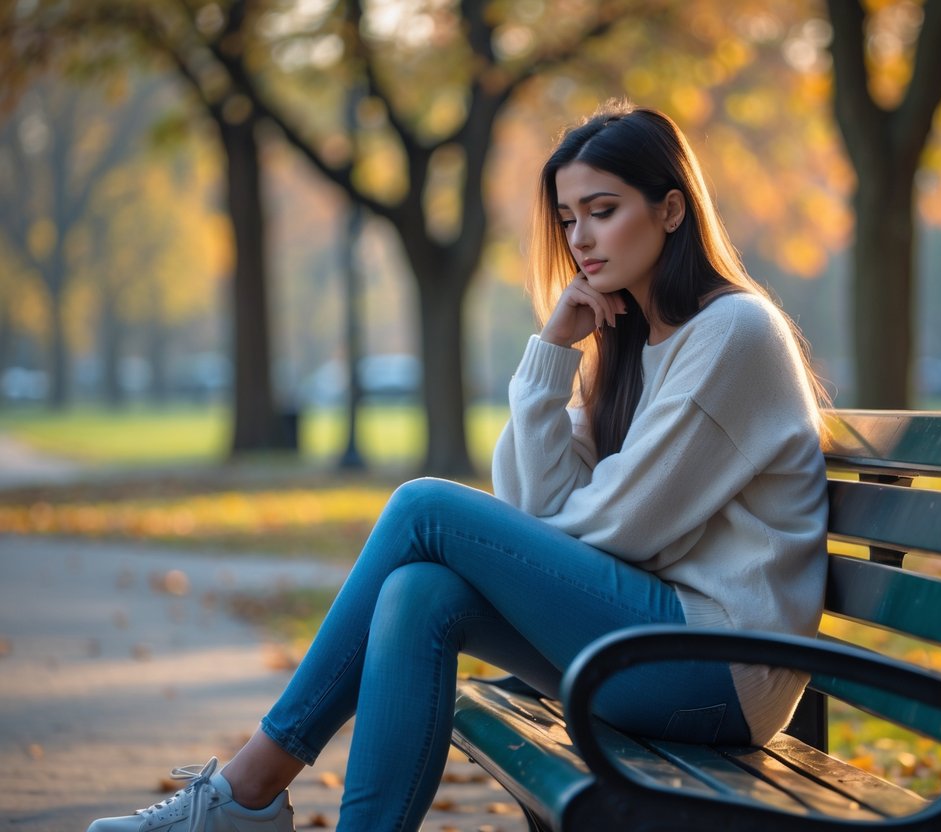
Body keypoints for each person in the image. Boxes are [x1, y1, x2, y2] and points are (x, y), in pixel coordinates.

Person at [86, 101, 830, 832]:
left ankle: (247, 791)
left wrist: (551, 528)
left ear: (671, 210)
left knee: (423, 509)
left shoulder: (732, 331)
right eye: (568, 218)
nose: (580, 239)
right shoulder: (634, 348)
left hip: (719, 671)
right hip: (654, 643)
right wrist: (552, 354)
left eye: (601, 210)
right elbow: (543, 508)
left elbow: (618, 531)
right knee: (420, 591)